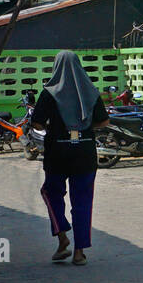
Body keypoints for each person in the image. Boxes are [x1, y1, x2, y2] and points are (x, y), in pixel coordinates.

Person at [28, 51, 110, 265]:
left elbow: (36, 123)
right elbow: (104, 122)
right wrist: (83, 128)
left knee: (50, 191)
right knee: (82, 202)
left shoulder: (49, 93)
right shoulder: (91, 92)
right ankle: (79, 252)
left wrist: (55, 128)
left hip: (58, 152)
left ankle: (62, 235)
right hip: (84, 152)